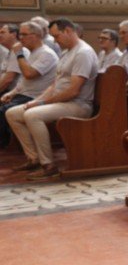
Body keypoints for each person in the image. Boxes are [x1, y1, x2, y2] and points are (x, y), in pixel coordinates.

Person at [6, 18, 97, 180]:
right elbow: (54, 85)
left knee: (32, 115)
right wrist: (35, 101)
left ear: (68, 31)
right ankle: (33, 158)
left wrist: (41, 103)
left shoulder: (83, 53)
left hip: (78, 105)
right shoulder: (67, 52)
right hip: (62, 102)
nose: (55, 40)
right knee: (12, 113)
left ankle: (48, 165)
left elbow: (73, 91)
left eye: (57, 36)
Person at [0, 22, 58, 149]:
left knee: (3, 110)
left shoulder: (46, 54)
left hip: (36, 97)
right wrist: (12, 93)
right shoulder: (33, 53)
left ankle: (7, 146)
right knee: (3, 105)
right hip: (24, 94)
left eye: (24, 34)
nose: (20, 38)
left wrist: (19, 54)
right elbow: (23, 82)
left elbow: (29, 74)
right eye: (20, 34)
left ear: (36, 36)